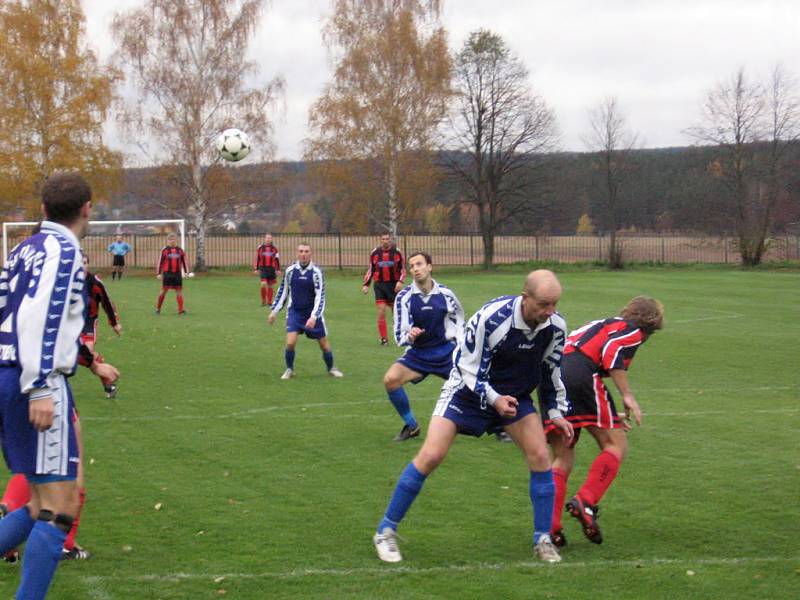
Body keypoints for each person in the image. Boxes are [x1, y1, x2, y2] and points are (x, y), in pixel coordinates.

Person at [372, 270, 574, 564]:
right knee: (431, 455)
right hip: (465, 391)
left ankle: (542, 539)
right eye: (544, 304)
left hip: (514, 398)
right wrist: (493, 399)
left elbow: (550, 372)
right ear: (525, 297)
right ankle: (385, 531)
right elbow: (467, 368)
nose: (550, 311)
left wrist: (555, 412)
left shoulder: (555, 327)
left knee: (541, 456)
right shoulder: (492, 318)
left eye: (554, 304)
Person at [0, 173, 118, 597]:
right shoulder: (64, 250)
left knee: (35, 504)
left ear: (45, 209)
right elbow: (37, 316)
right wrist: (41, 387)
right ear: (88, 208)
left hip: (7, 374)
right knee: (59, 510)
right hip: (33, 380)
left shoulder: (23, 248)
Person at [544, 296, 664, 548]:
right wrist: (627, 396)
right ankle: (586, 501)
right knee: (616, 445)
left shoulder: (605, 323)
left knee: (562, 456)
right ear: (650, 324)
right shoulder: (633, 330)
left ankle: (551, 528)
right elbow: (611, 353)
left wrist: (608, 413)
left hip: (552, 377)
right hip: (579, 372)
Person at [382, 252, 464, 441]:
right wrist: (409, 336)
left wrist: (461, 347)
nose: (416, 269)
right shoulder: (404, 297)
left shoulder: (446, 294)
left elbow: (459, 321)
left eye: (419, 264)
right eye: (412, 266)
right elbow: (399, 334)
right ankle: (412, 426)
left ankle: (499, 426)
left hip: (446, 353)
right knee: (390, 380)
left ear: (430, 267)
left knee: (475, 384)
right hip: (418, 355)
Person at [268, 243, 343, 379]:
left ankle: (331, 368)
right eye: (301, 251)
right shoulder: (290, 271)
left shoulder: (316, 272)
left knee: (324, 345)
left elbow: (320, 296)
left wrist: (314, 317)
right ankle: (290, 369)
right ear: (297, 253)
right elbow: (283, 291)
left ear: (311, 253)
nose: (303, 254)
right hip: (295, 312)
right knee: (290, 342)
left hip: (312, 313)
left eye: (306, 251)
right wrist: (274, 311)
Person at [81, 256, 122, 398]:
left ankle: (108, 384)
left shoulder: (95, 283)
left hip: (88, 323)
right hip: (69, 325)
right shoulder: (65, 282)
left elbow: (107, 303)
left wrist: (114, 323)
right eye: (79, 263)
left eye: (85, 263)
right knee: (82, 355)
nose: (82, 266)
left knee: (87, 351)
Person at [362, 233, 405, 345]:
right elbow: (371, 269)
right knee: (381, 311)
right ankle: (384, 339)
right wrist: (366, 284)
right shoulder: (375, 253)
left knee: (395, 312)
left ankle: (399, 336)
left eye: (387, 239)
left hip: (393, 286)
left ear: (390, 240)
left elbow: (403, 270)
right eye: (383, 239)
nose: (385, 241)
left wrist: (400, 281)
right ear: (380, 240)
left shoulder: (397, 252)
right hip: (380, 285)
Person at [155, 233, 188, 315]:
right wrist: (159, 273)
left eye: (173, 239)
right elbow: (160, 262)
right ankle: (158, 309)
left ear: (176, 240)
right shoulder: (165, 250)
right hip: (167, 274)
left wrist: (187, 271)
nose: (172, 241)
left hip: (177, 274)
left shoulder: (180, 250)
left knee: (179, 291)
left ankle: (180, 310)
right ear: (168, 240)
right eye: (170, 239)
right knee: (163, 291)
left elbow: (184, 261)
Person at [253, 233, 281, 306]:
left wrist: (278, 269)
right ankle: (263, 301)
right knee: (263, 284)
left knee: (270, 285)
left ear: (271, 239)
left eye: (270, 238)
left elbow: (277, 259)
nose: (268, 239)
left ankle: (269, 302)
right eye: (267, 238)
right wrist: (256, 268)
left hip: (272, 269)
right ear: (264, 239)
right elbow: (257, 258)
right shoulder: (260, 248)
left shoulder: (275, 248)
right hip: (263, 268)